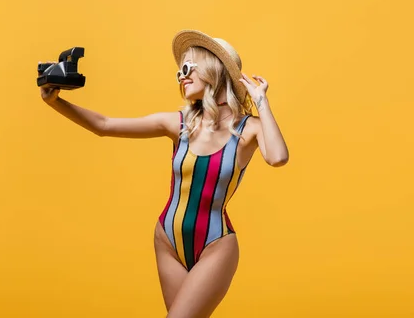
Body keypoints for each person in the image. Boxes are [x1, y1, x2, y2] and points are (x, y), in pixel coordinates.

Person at [39, 29, 289, 317]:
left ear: (213, 71)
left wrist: (262, 103)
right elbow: (104, 125)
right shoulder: (179, 124)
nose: (181, 77)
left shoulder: (249, 129)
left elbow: (278, 157)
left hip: (215, 245)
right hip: (167, 240)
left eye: (187, 68)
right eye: (178, 72)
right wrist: (55, 102)